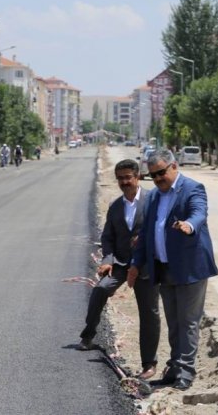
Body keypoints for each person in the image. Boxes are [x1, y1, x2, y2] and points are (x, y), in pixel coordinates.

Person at [128, 149, 218, 391]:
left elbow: (199, 213)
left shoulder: (193, 188)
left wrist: (189, 225)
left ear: (174, 167)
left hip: (190, 268)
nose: (158, 179)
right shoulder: (155, 197)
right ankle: (175, 367)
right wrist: (136, 264)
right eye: (153, 176)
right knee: (174, 321)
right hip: (164, 268)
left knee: (188, 321)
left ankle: (186, 372)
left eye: (161, 173)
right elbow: (146, 234)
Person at [78, 159, 161, 380]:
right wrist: (108, 259)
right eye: (120, 178)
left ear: (137, 177)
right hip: (121, 264)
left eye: (128, 178)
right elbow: (108, 237)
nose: (124, 182)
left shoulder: (153, 200)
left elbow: (160, 230)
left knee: (149, 312)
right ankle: (88, 335)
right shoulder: (115, 207)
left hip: (146, 266)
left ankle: (149, 364)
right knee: (101, 289)